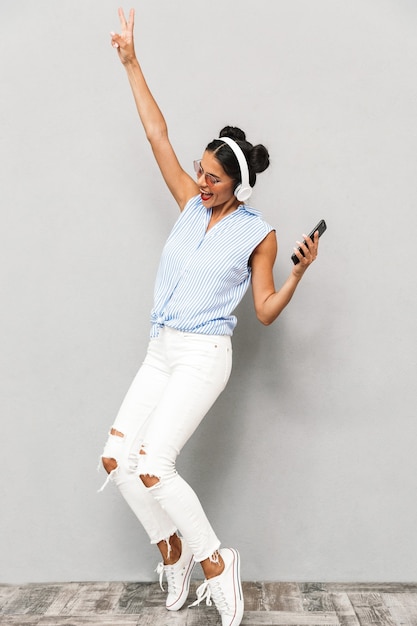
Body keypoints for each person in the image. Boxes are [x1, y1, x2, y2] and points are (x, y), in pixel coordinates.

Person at [100, 8, 320, 626]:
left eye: (213, 178)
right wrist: (131, 62)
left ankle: (218, 565)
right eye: (200, 170)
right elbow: (156, 137)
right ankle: (172, 551)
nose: (200, 181)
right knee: (117, 461)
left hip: (203, 358)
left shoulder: (259, 235)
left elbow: (265, 312)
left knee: (154, 465)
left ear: (238, 186)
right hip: (161, 347)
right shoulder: (189, 205)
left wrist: (297, 274)